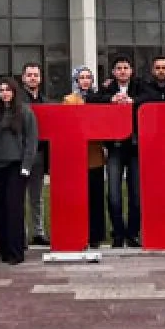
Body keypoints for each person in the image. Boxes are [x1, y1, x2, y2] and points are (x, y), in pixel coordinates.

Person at [94, 56, 144, 248]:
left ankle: (133, 233)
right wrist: (111, 99)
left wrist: (133, 101)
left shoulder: (139, 86)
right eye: (119, 68)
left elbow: (152, 97)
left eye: (126, 68)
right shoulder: (108, 88)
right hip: (115, 148)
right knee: (113, 194)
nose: (122, 71)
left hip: (134, 148)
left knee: (136, 194)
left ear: (131, 71)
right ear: (113, 72)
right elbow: (93, 99)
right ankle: (118, 233)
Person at [0, 77, 39, 265]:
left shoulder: (25, 112)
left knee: (14, 210)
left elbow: (31, 141)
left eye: (8, 89)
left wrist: (26, 167)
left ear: (14, 91)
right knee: (0, 210)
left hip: (17, 167)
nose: (4, 93)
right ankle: (4, 251)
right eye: (1, 90)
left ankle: (16, 252)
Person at [62, 66, 106, 249]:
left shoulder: (99, 99)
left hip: (95, 155)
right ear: (76, 80)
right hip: (77, 156)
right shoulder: (69, 100)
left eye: (89, 77)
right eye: (82, 77)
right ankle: (79, 233)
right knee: (79, 197)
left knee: (96, 197)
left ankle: (96, 236)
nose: (86, 81)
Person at [19, 63, 50, 247]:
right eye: (29, 75)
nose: (32, 78)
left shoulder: (45, 101)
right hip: (21, 155)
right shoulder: (19, 101)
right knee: (19, 195)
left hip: (39, 154)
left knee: (37, 196)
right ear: (23, 78)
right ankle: (21, 233)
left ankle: (38, 232)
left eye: (36, 75)